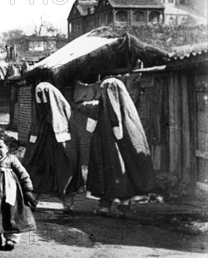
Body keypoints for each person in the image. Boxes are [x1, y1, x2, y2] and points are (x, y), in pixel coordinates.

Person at [87, 77, 156, 216]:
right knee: (115, 173)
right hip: (108, 148)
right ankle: (111, 206)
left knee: (120, 173)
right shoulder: (120, 107)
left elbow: (91, 127)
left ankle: (114, 206)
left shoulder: (115, 107)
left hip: (112, 148)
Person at [24, 82, 84, 212]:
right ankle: (33, 199)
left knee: (64, 172)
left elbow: (64, 127)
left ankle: (67, 204)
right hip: (42, 146)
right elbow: (36, 126)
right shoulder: (40, 112)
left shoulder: (62, 108)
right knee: (36, 170)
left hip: (59, 147)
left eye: (42, 95)